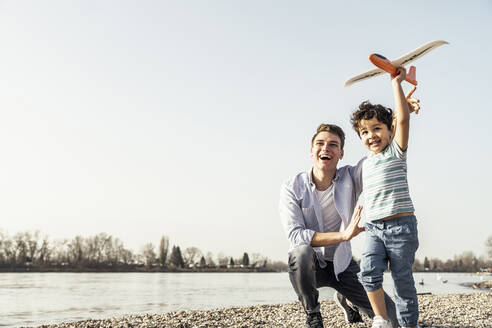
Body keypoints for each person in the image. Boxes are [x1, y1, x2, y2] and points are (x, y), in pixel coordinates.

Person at [279, 123, 399, 328]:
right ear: (311, 151)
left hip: (343, 265)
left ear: (341, 153)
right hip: (310, 267)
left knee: (393, 320)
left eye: (333, 145)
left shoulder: (351, 177)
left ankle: (348, 298)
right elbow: (296, 236)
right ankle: (313, 314)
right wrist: (343, 235)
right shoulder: (292, 187)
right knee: (301, 252)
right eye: (320, 143)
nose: (326, 148)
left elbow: (379, 149)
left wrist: (399, 115)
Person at [350, 68, 419, 328]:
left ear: (389, 131)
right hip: (374, 228)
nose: (371, 136)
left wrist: (396, 83)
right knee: (367, 273)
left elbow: (401, 121)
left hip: (402, 228)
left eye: (376, 128)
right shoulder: (366, 162)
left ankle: (410, 325)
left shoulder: (396, 152)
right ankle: (380, 318)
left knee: (403, 284)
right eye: (365, 132)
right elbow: (399, 117)